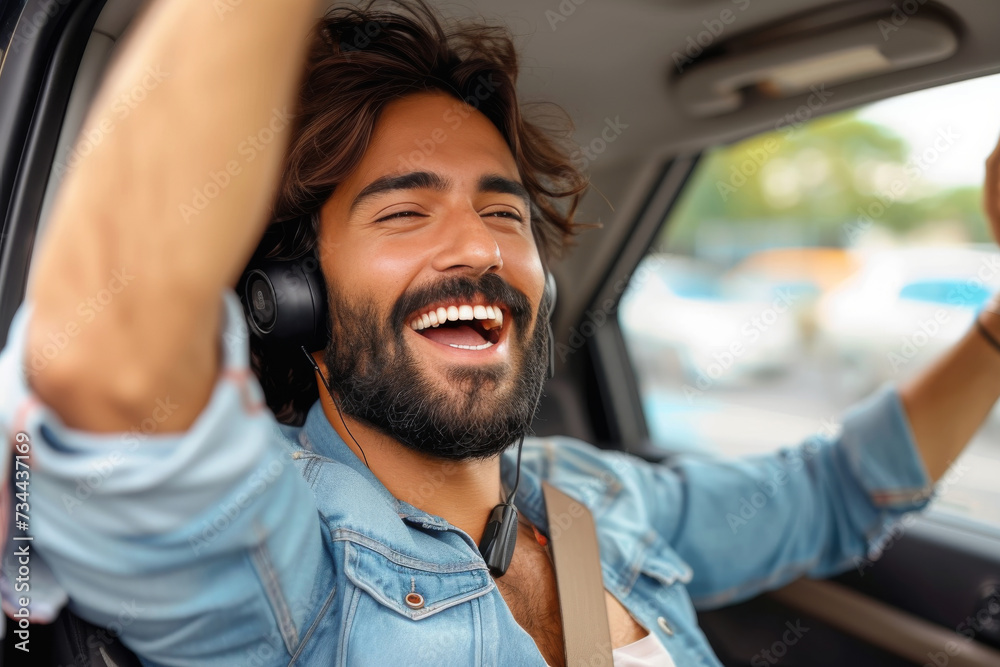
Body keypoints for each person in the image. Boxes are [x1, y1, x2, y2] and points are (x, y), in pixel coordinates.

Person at [2, 1, 1000, 665]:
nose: (475, 247)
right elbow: (110, 363)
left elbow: (838, 490)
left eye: (504, 212)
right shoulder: (279, 555)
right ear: (292, 296)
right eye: (403, 212)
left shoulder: (598, 495)